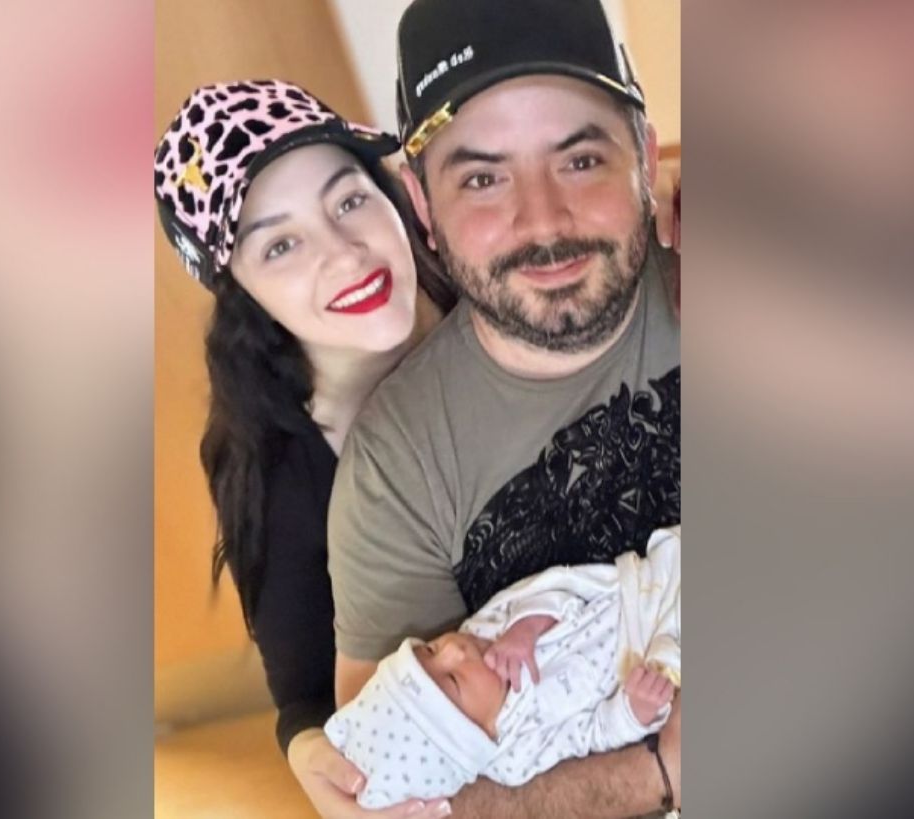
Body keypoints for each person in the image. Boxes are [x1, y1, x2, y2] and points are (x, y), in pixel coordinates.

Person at [156, 72, 680, 817]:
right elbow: (309, 697)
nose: (345, 254)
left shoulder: (504, 280)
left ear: (400, 196)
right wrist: (314, 752)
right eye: (280, 245)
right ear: (239, 290)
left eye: (348, 201)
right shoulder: (285, 472)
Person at [322, 0, 682, 815]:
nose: (542, 222)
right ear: (422, 205)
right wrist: (659, 774)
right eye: (482, 178)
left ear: (643, 154)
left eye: (581, 160)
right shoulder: (399, 471)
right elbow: (393, 796)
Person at [325, 529, 681, 810]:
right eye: (453, 679)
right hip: (648, 649)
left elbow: (555, 589)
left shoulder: (487, 631)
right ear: (475, 735)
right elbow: (589, 735)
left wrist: (526, 627)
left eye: (430, 649)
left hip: (639, 590)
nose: (454, 649)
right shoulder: (517, 755)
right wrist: (635, 711)